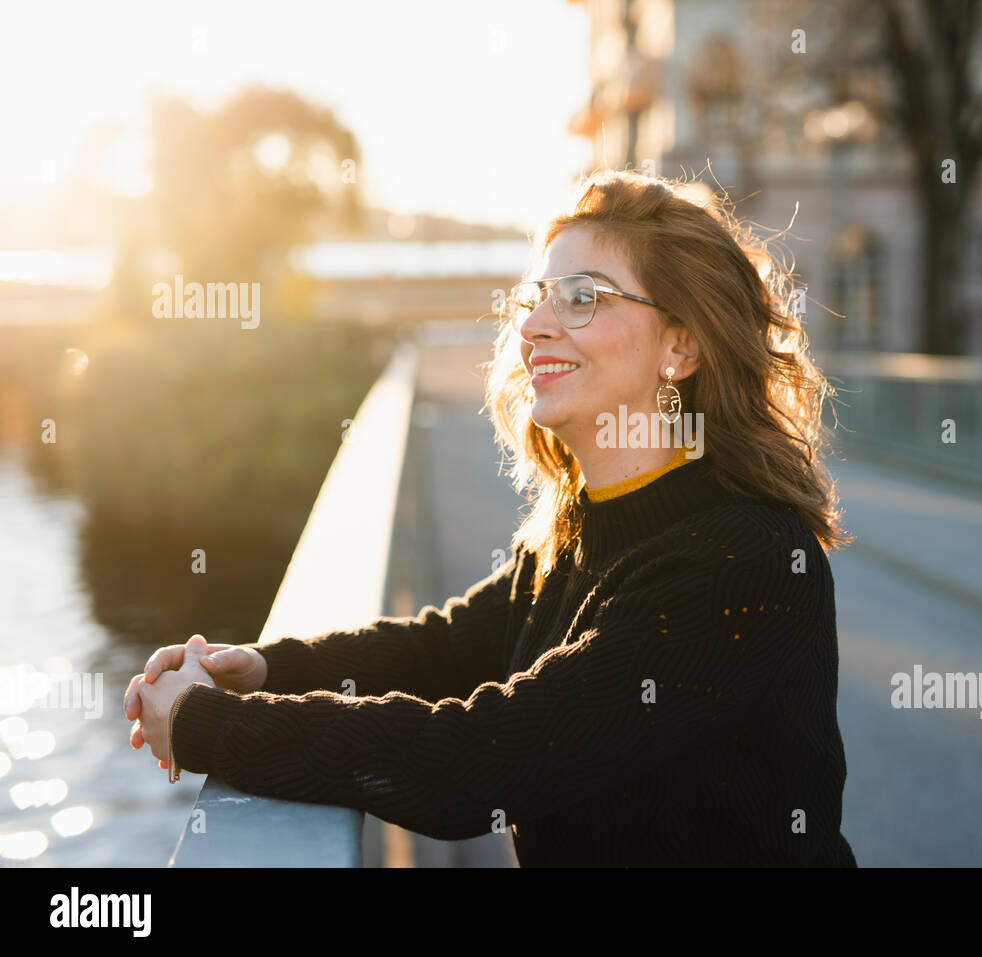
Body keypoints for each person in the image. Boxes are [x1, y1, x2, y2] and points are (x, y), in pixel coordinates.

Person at [123, 168, 858, 866]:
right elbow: (444, 647)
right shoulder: (580, 524)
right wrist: (263, 668)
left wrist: (204, 725)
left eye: (582, 297)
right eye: (536, 297)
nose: (535, 323)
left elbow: (487, 759)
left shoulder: (743, 559)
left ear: (681, 344)